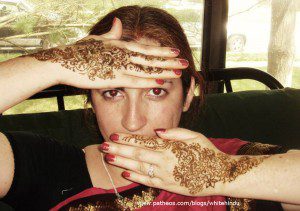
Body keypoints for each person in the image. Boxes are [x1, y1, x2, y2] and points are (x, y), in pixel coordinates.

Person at [0, 5, 299, 211]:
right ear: (91, 98)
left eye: (155, 91)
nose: (132, 122)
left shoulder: (234, 161)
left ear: (187, 95)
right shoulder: (49, 169)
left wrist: (219, 173)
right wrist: (57, 63)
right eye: (113, 92)